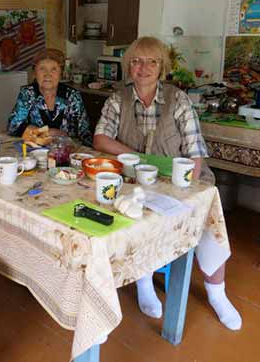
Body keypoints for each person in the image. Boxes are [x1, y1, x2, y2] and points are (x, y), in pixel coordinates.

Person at [93, 36, 242, 331]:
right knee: (134, 218)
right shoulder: (117, 99)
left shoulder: (178, 99)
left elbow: (195, 152)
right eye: (136, 61)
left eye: (152, 61)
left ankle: (217, 293)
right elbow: (100, 138)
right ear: (128, 66)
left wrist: (184, 192)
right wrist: (138, 157)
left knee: (207, 224)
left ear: (162, 67)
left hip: (182, 179)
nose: (143, 68)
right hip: (136, 180)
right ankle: (144, 281)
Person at [7, 48, 93, 146]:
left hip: (66, 152)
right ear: (35, 73)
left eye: (54, 69)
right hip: (34, 152)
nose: (48, 74)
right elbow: (13, 128)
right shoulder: (28, 93)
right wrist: (49, 132)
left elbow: (85, 134)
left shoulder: (72, 96)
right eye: (42, 68)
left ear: (61, 73)